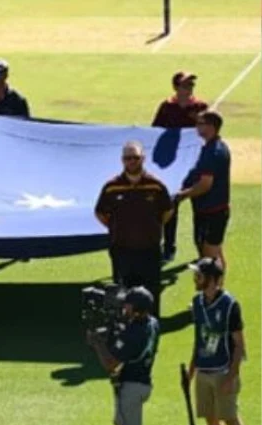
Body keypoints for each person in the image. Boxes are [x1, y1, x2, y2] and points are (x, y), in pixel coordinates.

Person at [86, 287, 159, 425]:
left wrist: (98, 343)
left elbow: (111, 364)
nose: (124, 307)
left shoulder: (134, 333)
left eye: (128, 304)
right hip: (140, 382)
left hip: (132, 386)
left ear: (137, 310)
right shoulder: (151, 323)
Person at [187, 258, 252, 425]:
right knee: (211, 419)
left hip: (223, 371)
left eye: (199, 275)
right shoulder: (197, 302)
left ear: (212, 279)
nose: (195, 279)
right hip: (204, 371)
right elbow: (199, 339)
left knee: (231, 420)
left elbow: (239, 346)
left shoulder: (230, 305)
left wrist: (231, 377)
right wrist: (191, 372)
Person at [94, 141, 172, 313]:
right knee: (122, 294)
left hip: (149, 250)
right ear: (122, 160)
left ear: (143, 158)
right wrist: (115, 227)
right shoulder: (112, 187)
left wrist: (153, 227)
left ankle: (151, 325)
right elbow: (100, 212)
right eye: (128, 158)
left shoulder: (156, 185)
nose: (132, 161)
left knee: (151, 293)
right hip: (122, 250)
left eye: (135, 158)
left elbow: (167, 211)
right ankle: (124, 326)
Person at [151, 71, 208, 262]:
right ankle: (169, 248)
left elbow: (208, 132)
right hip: (173, 166)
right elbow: (155, 131)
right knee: (170, 207)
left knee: (200, 208)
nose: (189, 88)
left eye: (191, 85)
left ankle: (202, 249)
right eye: (185, 85)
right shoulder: (167, 107)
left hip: (195, 164)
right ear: (176, 87)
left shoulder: (200, 106)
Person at [175, 111, 231, 270]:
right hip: (210, 211)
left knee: (208, 258)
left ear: (211, 127)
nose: (196, 127)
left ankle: (212, 285)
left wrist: (182, 195)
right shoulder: (211, 147)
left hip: (211, 212)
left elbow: (205, 185)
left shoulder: (213, 152)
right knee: (215, 254)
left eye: (200, 123)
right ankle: (218, 283)